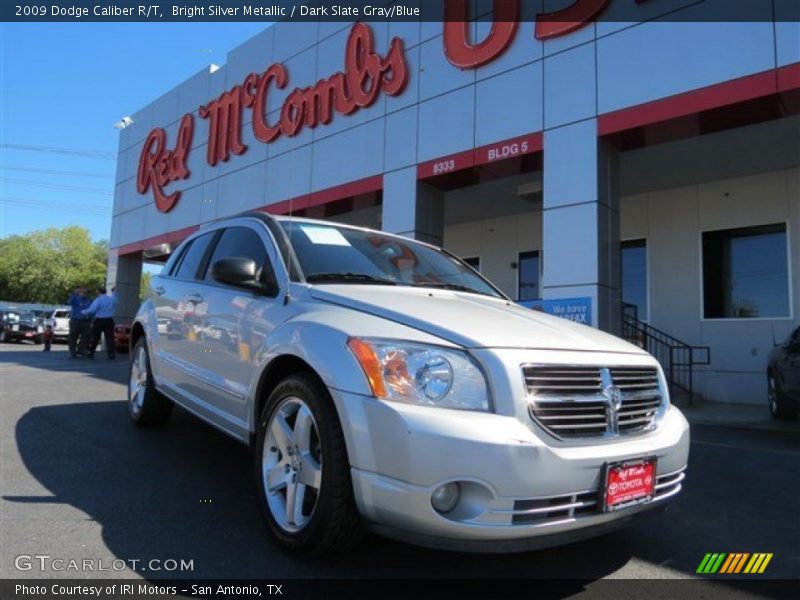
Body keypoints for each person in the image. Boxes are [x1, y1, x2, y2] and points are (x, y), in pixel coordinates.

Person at [83, 285, 118, 360]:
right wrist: (113, 292)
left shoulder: (98, 300)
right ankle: (111, 354)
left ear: (98, 292)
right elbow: (115, 299)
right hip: (109, 320)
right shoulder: (111, 299)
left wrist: (83, 312)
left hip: (99, 320)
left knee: (95, 337)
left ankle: (91, 352)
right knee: (110, 338)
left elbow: (92, 309)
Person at [67, 287, 92, 358]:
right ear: (79, 293)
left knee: (86, 336)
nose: (85, 294)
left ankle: (81, 349)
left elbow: (92, 311)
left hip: (86, 321)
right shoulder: (75, 298)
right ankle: (72, 351)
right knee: (73, 336)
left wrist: (92, 320)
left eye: (86, 293)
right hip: (76, 321)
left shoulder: (89, 300)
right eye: (83, 292)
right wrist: (74, 294)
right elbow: (70, 302)